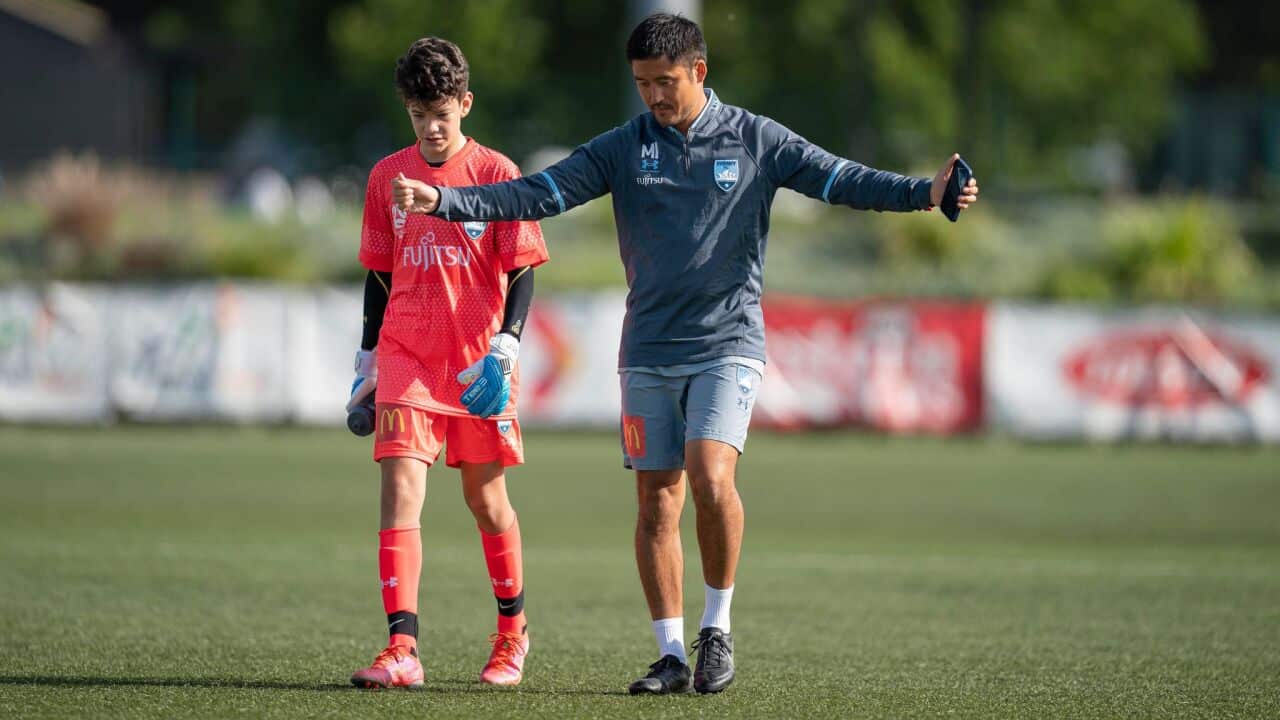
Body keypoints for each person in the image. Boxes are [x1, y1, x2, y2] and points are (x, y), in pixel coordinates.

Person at [392, 14, 979, 695]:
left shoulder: (757, 139)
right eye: (642, 84)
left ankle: (718, 628)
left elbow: (840, 179)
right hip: (645, 348)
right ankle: (670, 655)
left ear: (699, 71)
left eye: (665, 82)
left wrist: (927, 194)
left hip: (728, 341)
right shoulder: (623, 146)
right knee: (655, 505)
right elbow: (538, 194)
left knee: (709, 474)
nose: (654, 97)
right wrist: (447, 199)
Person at [345, 36, 548, 689]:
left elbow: (522, 269)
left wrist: (508, 343)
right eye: (417, 113)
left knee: (486, 500)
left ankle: (512, 633)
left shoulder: (496, 174)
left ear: (465, 104)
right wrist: (366, 356)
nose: (431, 127)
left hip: (477, 365)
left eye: (442, 112)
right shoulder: (386, 177)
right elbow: (378, 275)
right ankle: (402, 648)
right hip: (407, 355)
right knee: (401, 487)